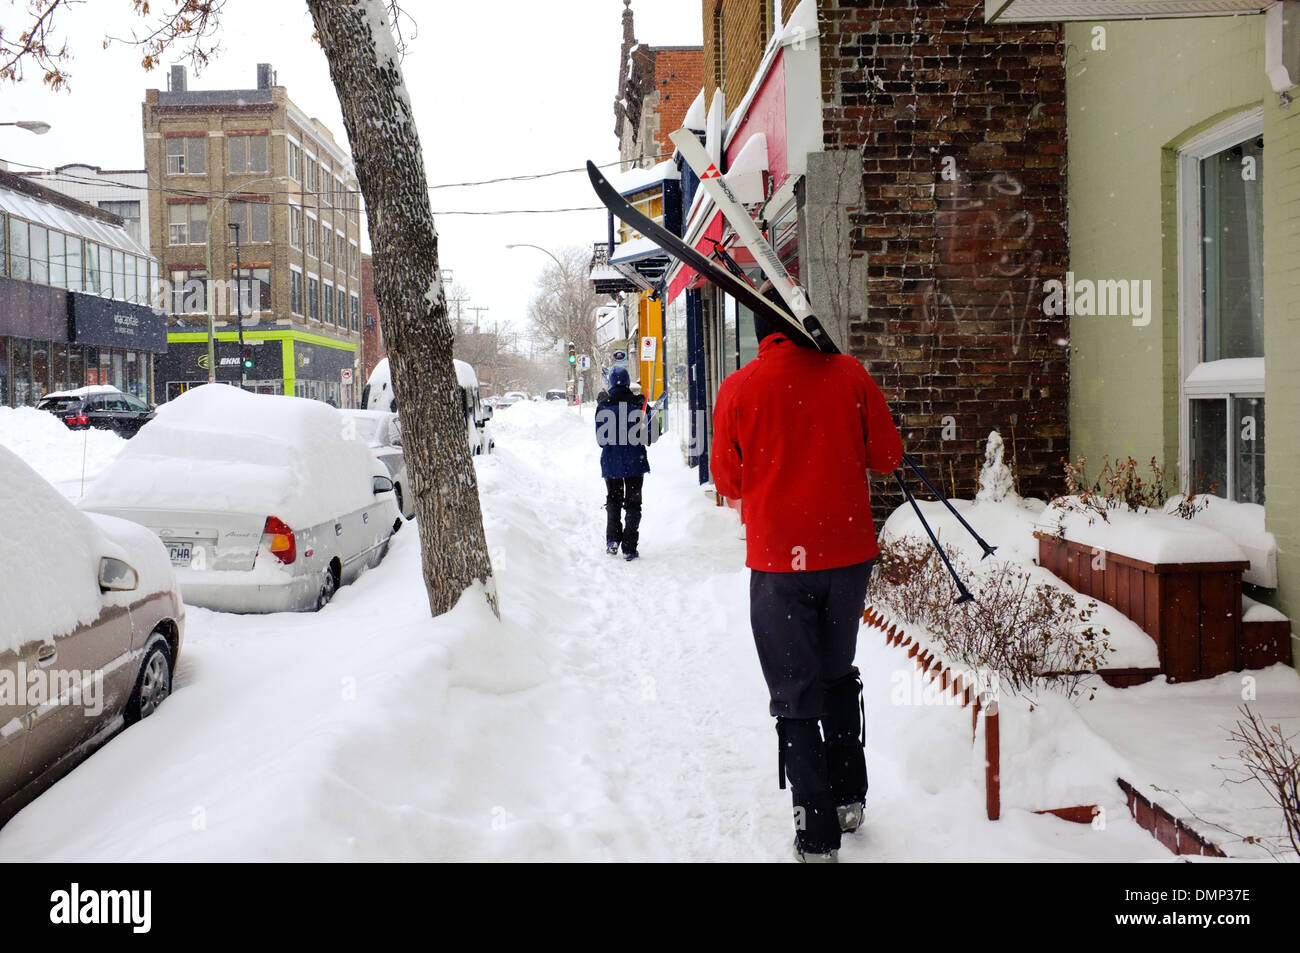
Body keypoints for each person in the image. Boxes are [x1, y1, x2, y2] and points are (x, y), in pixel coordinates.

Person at [710, 299, 902, 863]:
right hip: (847, 557)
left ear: (763, 334)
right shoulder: (849, 374)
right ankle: (850, 797)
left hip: (778, 567)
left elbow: (728, 480)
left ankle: (816, 832)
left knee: (794, 692)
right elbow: (887, 457)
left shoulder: (740, 388)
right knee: (838, 672)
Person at [595, 366, 650, 561]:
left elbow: (601, 440)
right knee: (633, 503)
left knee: (614, 499)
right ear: (628, 383)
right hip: (636, 461)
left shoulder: (604, 406)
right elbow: (650, 436)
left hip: (611, 462)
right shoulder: (638, 404)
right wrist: (646, 413)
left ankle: (612, 540)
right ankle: (629, 547)